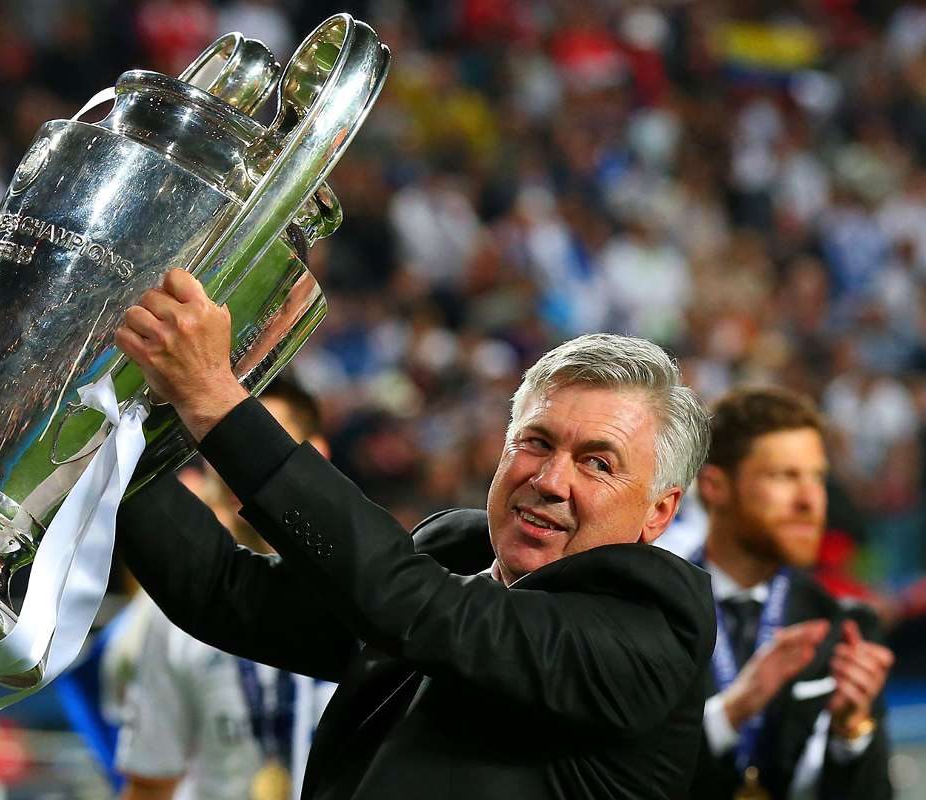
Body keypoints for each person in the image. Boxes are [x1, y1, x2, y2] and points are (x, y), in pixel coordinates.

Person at [112, 268, 717, 799]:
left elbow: (414, 605)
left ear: (658, 513)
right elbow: (228, 592)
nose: (551, 480)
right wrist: (98, 447)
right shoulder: (456, 551)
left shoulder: (654, 624)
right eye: (536, 442)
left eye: (598, 463)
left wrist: (214, 398)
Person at [113, 378, 335, 800]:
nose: (237, 464)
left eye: (261, 444)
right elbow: (152, 783)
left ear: (315, 454)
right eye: (222, 444)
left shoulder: (365, 599)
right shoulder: (170, 611)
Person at [688, 386, 894, 799]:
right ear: (715, 487)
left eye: (817, 477)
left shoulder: (844, 626)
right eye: (784, 476)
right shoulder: (648, 612)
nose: (810, 500)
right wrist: (731, 713)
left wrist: (850, 734)